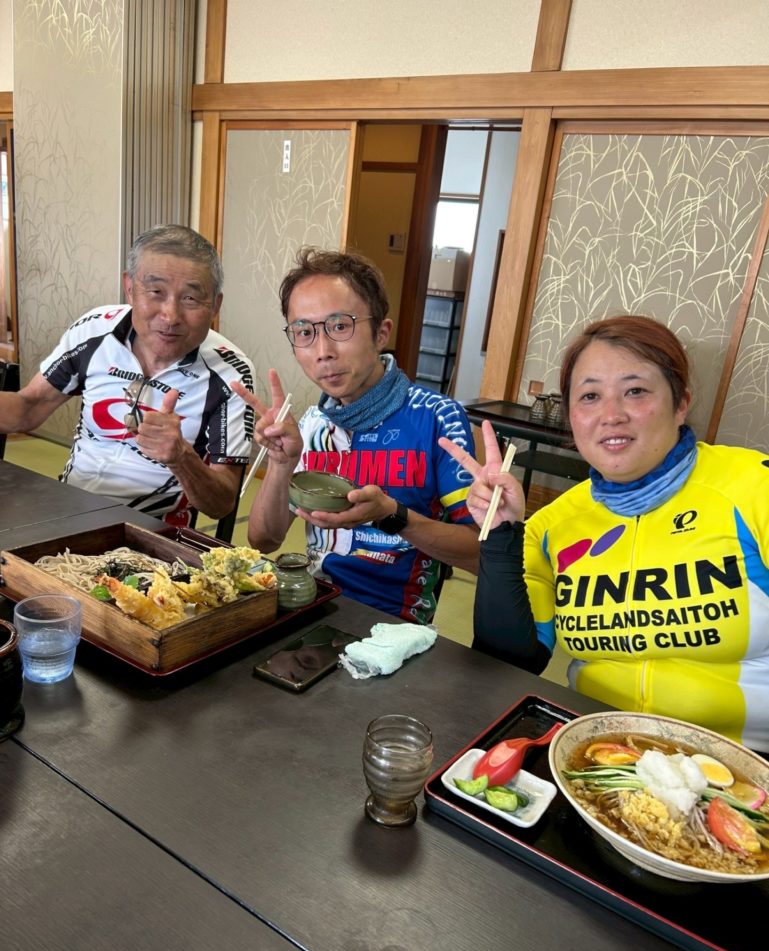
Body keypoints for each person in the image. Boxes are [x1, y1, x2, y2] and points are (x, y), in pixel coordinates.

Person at [439, 315, 769, 751]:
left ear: (681, 403)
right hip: (598, 755)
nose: (611, 415)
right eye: (590, 396)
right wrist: (501, 535)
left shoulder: (754, 488)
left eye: (635, 391)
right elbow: (509, 661)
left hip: (742, 763)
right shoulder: (553, 525)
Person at [231, 247, 478, 624]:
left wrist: (393, 515)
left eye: (340, 326)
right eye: (305, 332)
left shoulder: (437, 418)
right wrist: (282, 463)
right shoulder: (312, 424)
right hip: (311, 605)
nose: (323, 352)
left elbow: (481, 555)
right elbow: (264, 540)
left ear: (381, 334)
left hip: (394, 624)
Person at [0, 224, 254, 525]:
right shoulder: (94, 330)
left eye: (190, 298)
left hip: (151, 531)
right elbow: (28, 407)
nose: (170, 316)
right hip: (67, 509)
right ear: (130, 288)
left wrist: (181, 458)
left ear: (215, 305)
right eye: (156, 292)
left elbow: (222, 504)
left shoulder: (230, 374)